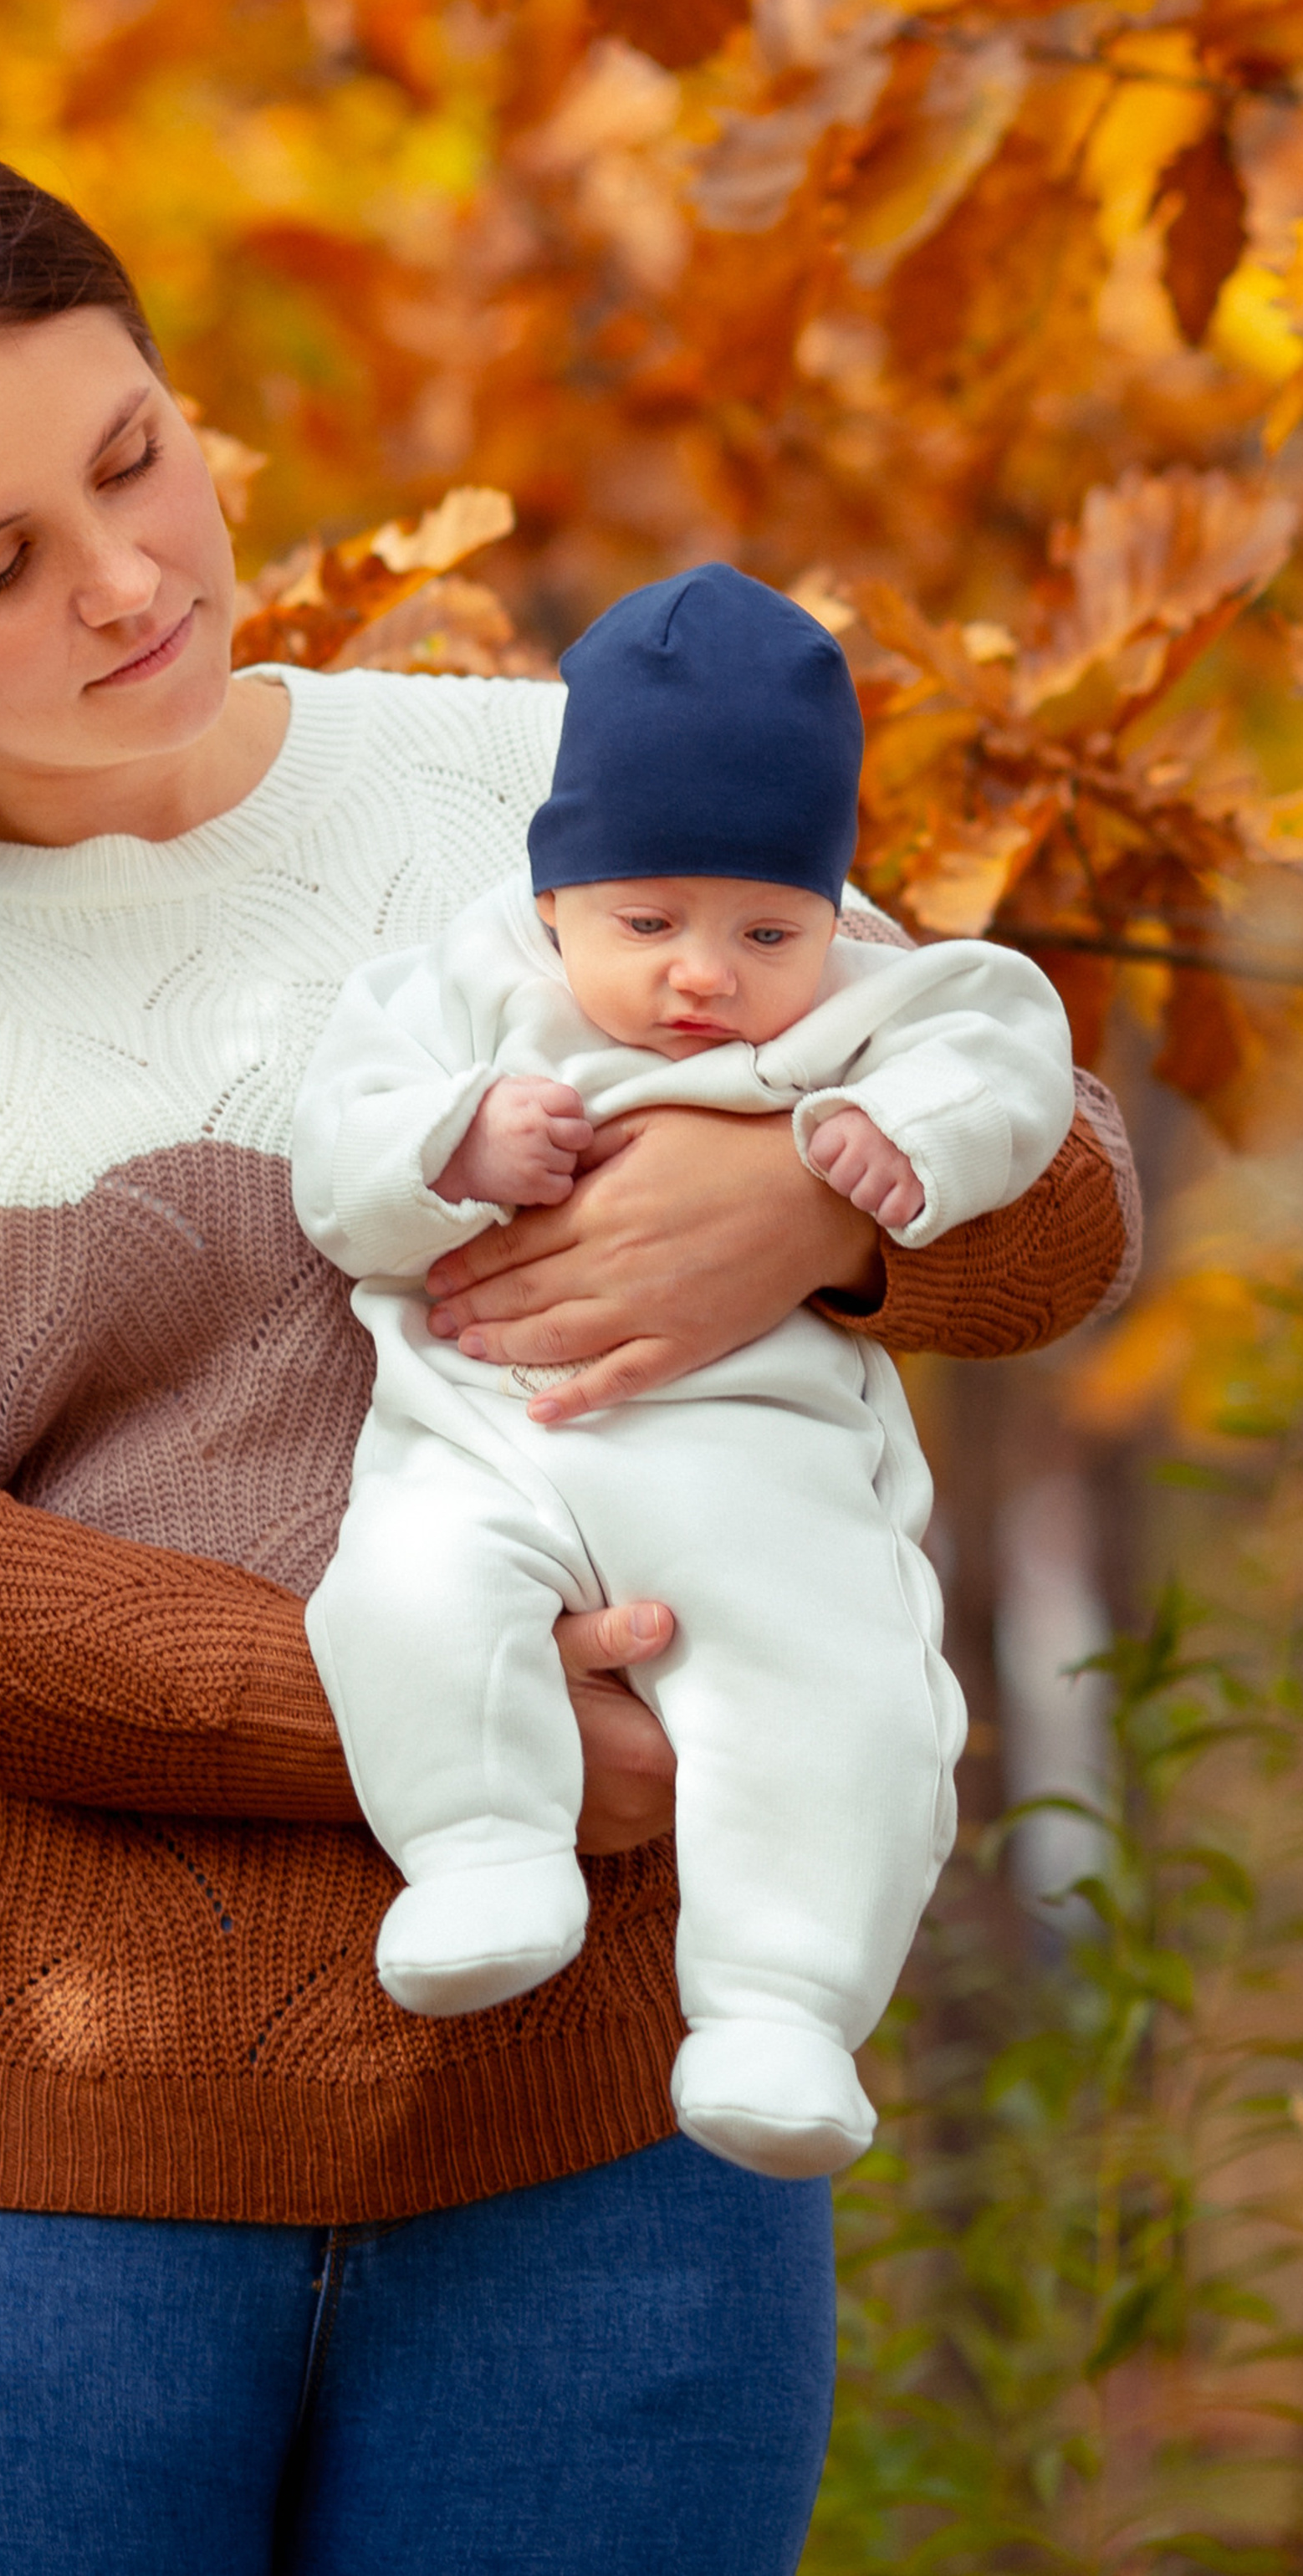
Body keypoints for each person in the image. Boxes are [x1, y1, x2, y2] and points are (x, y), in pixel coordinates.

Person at [0, 127, 1142, 2576]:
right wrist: (522, 1749)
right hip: (13, 2218)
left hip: (610, 2186)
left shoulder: (521, 787)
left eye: (135, 458)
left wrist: (791, 1226)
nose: (129, 581)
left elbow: (1054, 1190)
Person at [294, 566, 1076, 2180]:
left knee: (834, 1695)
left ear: (829, 910)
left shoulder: (861, 996)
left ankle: (784, 2008)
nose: (703, 977)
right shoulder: (465, 988)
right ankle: (481, 1850)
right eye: (648, 924)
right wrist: (453, 1143)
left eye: (763, 929)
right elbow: (338, 1164)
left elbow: (1009, 1037)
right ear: (559, 901)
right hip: (486, 1440)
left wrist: (894, 1144)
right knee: (401, 1594)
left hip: (753, 1466)